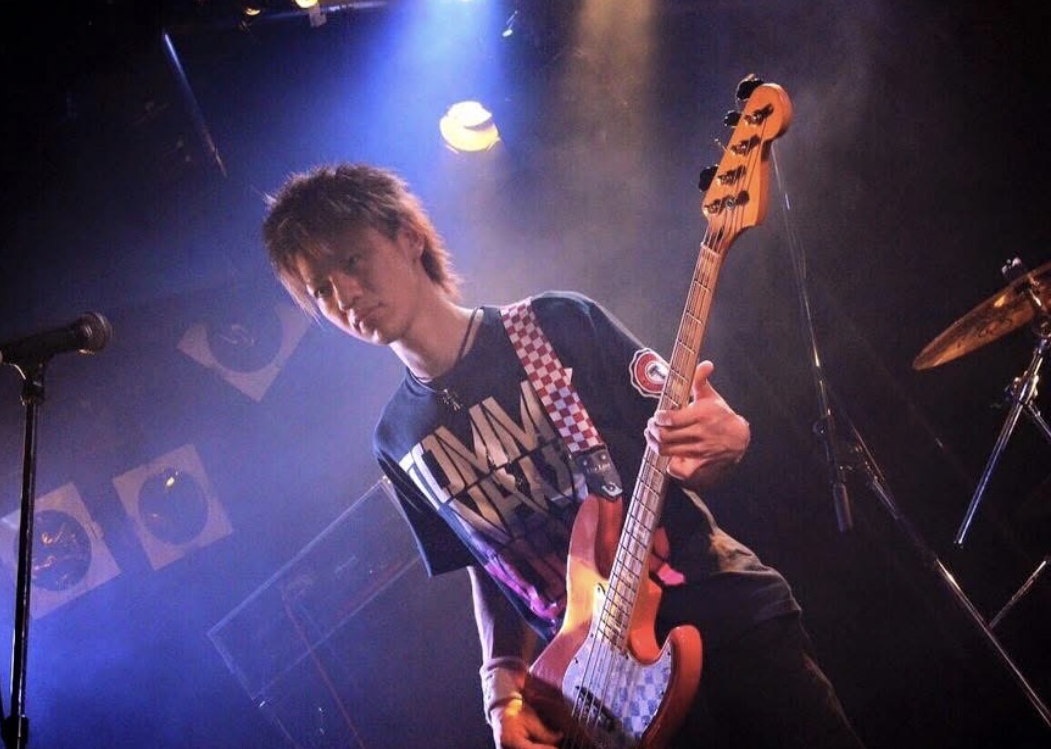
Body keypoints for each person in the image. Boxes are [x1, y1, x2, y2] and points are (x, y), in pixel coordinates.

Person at [261, 162, 864, 749]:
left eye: (352, 260)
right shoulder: (397, 439)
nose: (344, 295)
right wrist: (499, 684)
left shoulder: (555, 324)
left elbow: (695, 425)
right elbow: (488, 566)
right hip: (605, 706)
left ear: (408, 237)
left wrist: (726, 436)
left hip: (720, 621)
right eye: (321, 289)